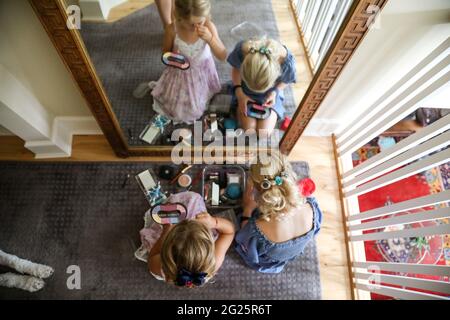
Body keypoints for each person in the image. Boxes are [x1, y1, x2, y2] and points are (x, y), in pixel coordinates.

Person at [234, 151, 322, 273]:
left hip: (269, 257)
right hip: (289, 252)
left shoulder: (258, 229)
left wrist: (247, 209)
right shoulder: (311, 207)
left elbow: (246, 243)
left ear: (258, 191)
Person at [150, 0, 227, 124]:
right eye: (191, 24)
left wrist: (210, 39)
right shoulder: (172, 29)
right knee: (176, 108)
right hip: (180, 74)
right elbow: (165, 54)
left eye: (200, 22)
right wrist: (175, 59)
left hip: (202, 73)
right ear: (180, 18)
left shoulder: (209, 27)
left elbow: (223, 56)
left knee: (196, 107)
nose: (196, 27)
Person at [139, 192, 235, 287]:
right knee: (195, 198)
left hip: (167, 256)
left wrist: (166, 229)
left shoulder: (161, 266)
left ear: (166, 247)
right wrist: (213, 222)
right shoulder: (214, 261)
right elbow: (229, 231)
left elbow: (152, 257)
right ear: (209, 246)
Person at [227, 38, 297, 137]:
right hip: (244, 91)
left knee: (264, 132)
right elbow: (235, 69)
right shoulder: (242, 51)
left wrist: (275, 92)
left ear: (276, 72)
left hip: (270, 93)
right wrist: (239, 92)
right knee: (249, 129)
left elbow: (287, 80)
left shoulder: (287, 62)